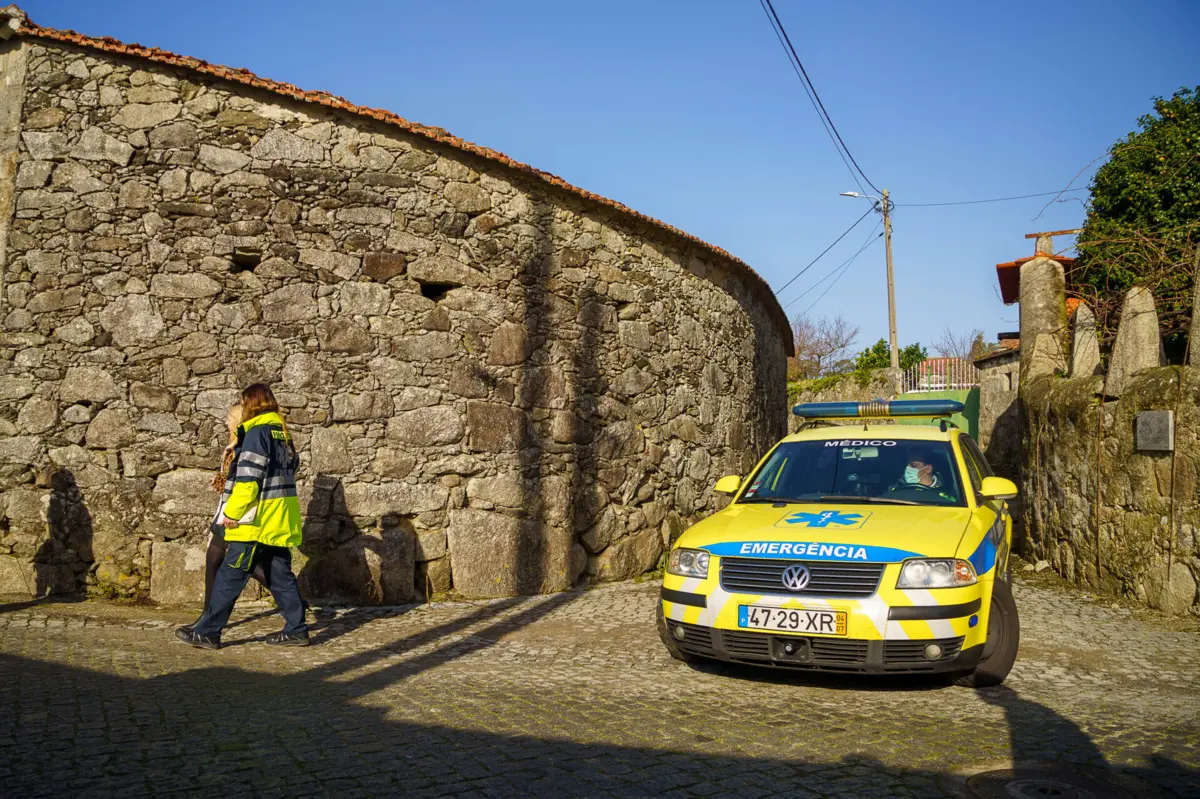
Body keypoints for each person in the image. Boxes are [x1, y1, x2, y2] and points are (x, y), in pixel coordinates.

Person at [175, 384, 309, 649]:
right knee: (280, 576)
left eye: (242, 402)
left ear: (251, 403)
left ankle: (209, 631)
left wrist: (231, 513)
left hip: (256, 520)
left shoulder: (256, 432)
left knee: (230, 575)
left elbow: (249, 480)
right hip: (279, 517)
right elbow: (294, 465)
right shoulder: (281, 432)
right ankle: (297, 629)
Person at [181, 403, 269, 632]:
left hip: (235, 512)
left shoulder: (245, 443)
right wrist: (219, 480)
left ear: (239, 420)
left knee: (227, 560)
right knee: (228, 560)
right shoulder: (234, 443)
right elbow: (232, 477)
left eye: (229, 417)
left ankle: (207, 620)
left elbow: (247, 481)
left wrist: (232, 513)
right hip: (227, 509)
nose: (225, 421)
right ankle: (293, 599)